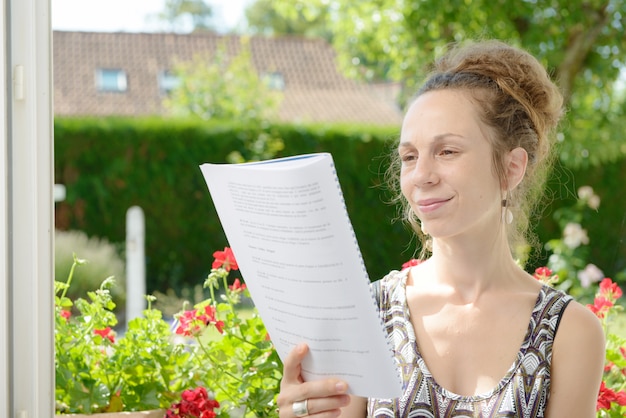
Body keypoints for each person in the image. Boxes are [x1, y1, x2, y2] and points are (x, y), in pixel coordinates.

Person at [276, 39, 606, 417]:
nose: (421, 176)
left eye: (447, 151)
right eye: (409, 156)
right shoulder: (366, 315)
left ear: (512, 168)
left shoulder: (568, 333)